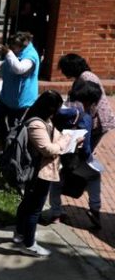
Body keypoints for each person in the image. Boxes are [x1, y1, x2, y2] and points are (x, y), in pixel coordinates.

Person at [14, 91, 76, 257]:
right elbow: (47, 149)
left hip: (40, 170)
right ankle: (29, 244)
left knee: (27, 203)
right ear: (50, 108)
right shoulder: (36, 124)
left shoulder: (43, 119)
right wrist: (66, 140)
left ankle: (20, 234)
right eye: (57, 107)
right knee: (34, 209)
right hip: (38, 173)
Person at [47, 80, 104, 228]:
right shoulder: (85, 117)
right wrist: (88, 156)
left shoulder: (58, 111)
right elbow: (85, 148)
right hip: (74, 160)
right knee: (94, 176)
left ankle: (56, 214)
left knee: (56, 184)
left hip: (55, 156)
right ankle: (95, 209)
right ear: (91, 101)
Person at [57, 53, 115, 151]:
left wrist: (84, 121)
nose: (62, 72)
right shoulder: (81, 77)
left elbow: (93, 102)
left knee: (85, 149)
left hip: (98, 121)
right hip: (92, 119)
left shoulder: (86, 77)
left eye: (64, 69)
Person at [0, 32, 40, 145]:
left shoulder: (30, 56)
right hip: (7, 96)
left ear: (22, 46)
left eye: (13, 47)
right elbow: (16, 59)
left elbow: (19, 68)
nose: (12, 50)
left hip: (20, 101)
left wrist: (8, 53)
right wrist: (2, 63)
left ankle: (11, 151)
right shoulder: (20, 52)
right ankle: (4, 142)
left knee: (14, 126)